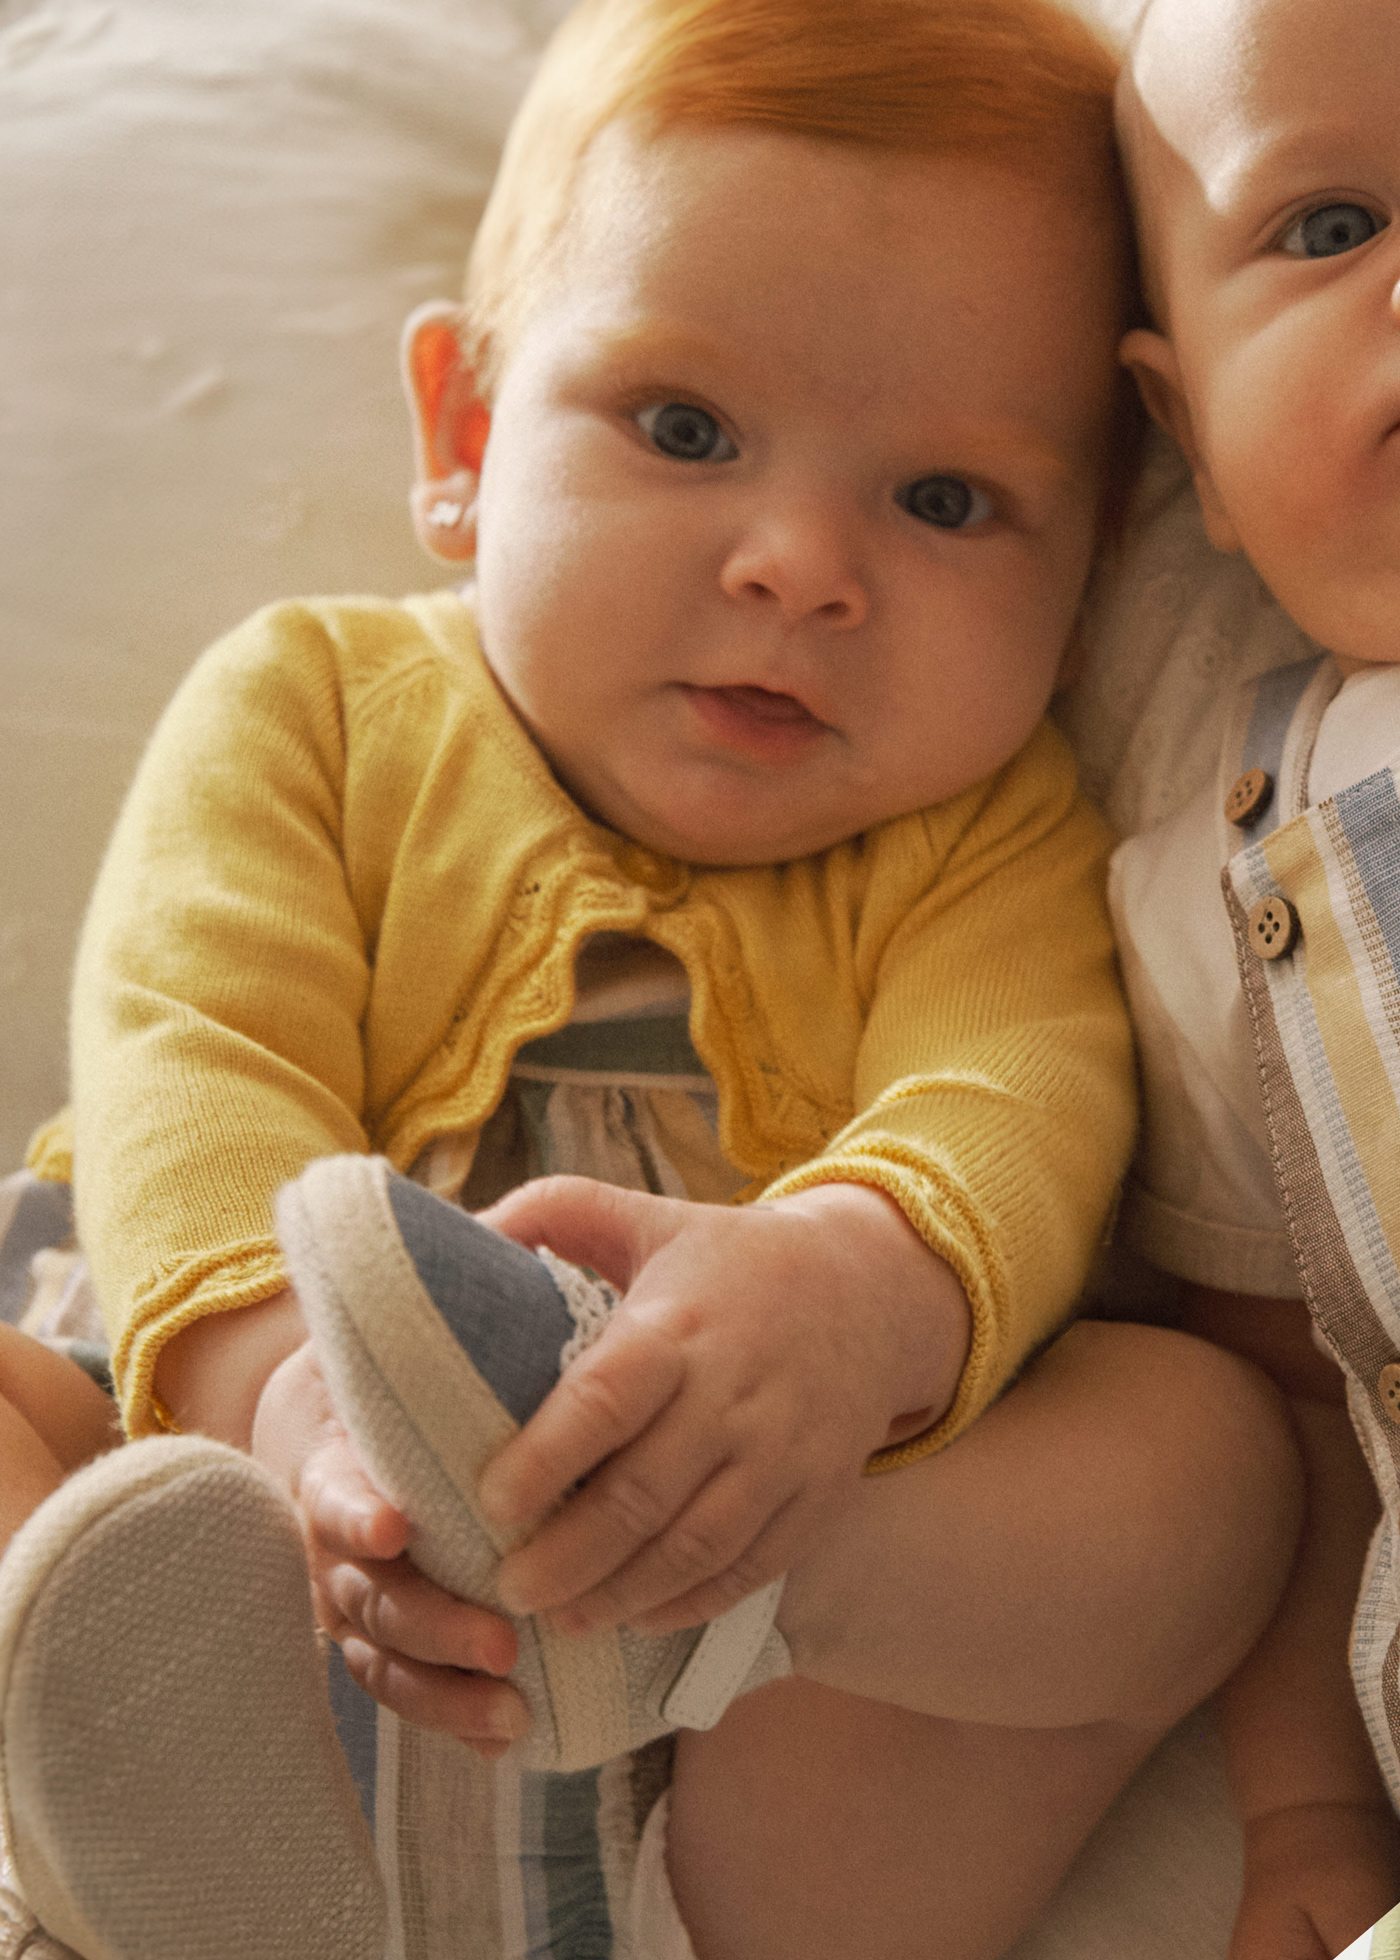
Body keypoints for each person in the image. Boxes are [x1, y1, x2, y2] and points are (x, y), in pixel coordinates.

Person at [0, 0, 1305, 1954]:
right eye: (684, 430)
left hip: (742, 1714)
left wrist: (854, 1298)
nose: (795, 561)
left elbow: (1011, 1101)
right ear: (461, 437)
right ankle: (195, 1823)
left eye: (943, 501)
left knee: (1203, 1461)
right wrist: (296, 1428)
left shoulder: (992, 832)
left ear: (1092, 559)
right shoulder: (318, 704)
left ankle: (695, 1660)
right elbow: (193, 1054)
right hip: (237, 1521)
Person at [1110, 0, 1400, 1953]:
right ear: (1186, 436)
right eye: (1324, 225)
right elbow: (1286, 1401)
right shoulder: (1218, 874)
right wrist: (1305, 1806)